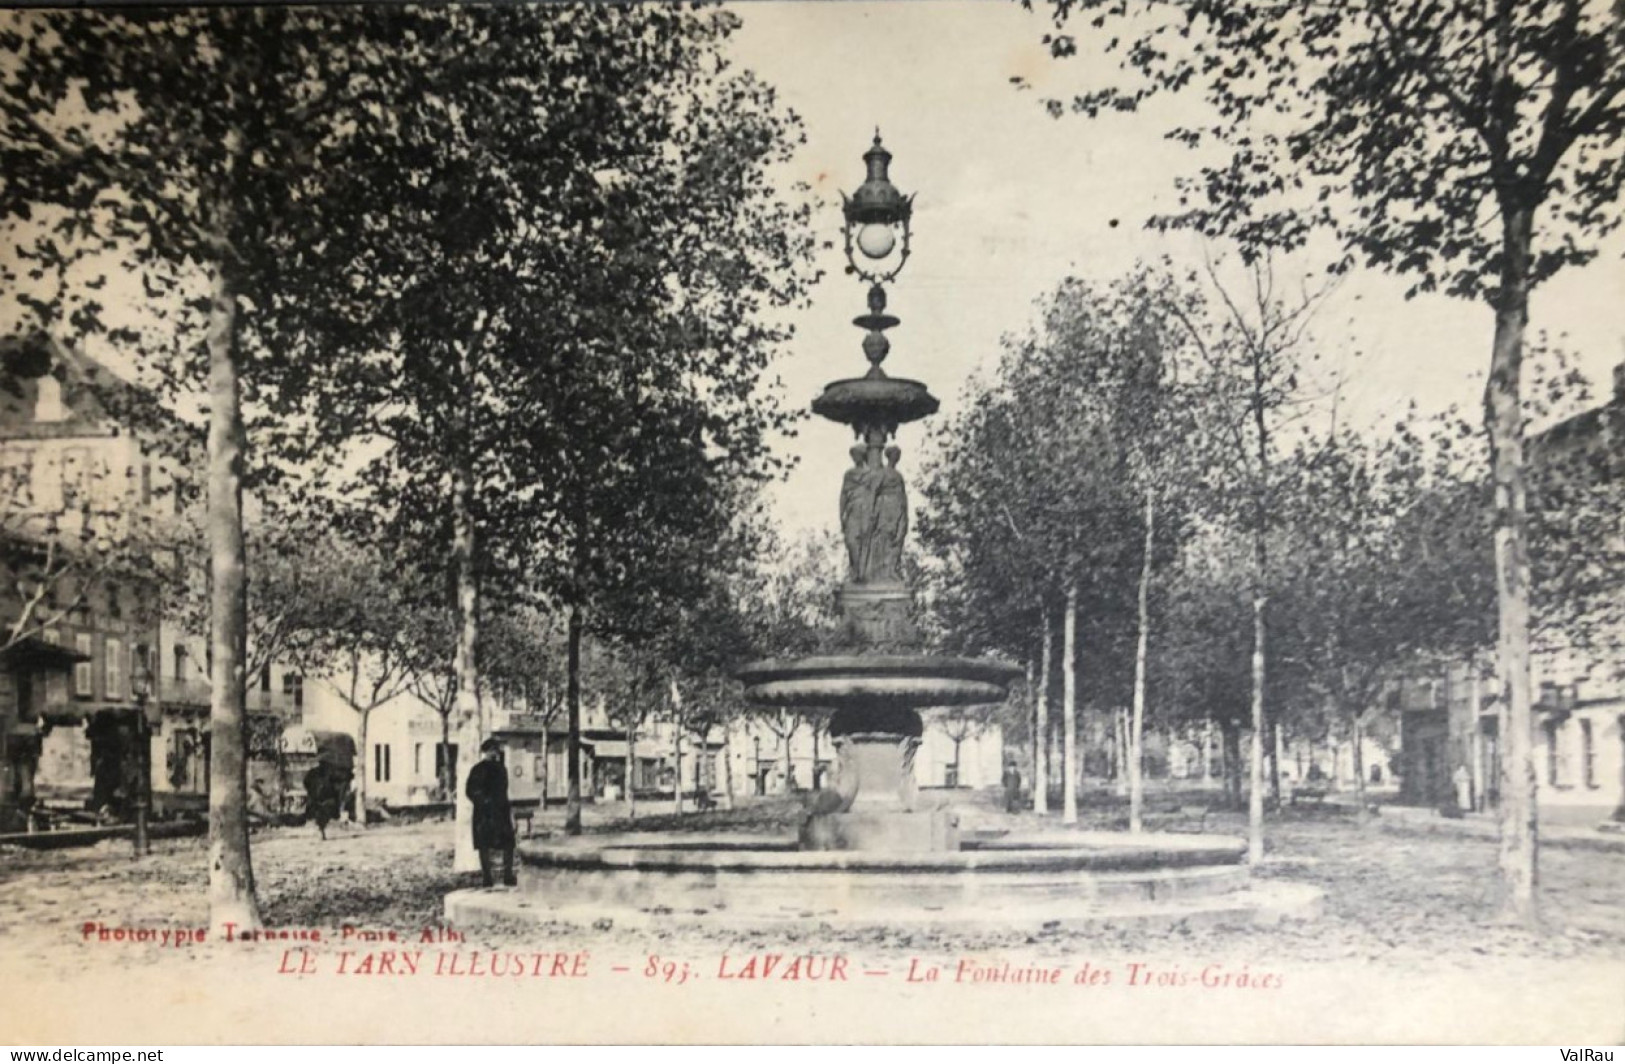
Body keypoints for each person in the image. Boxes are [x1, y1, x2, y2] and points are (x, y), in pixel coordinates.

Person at [466, 738, 517, 888]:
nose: (495, 753)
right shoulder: (477, 769)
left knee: (508, 843)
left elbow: (504, 790)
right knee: (484, 844)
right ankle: (487, 877)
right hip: (484, 813)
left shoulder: (502, 769)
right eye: (492, 750)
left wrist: (508, 809)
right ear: (485, 752)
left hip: (500, 811)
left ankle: (508, 875)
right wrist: (484, 801)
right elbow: (470, 791)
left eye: (496, 750)